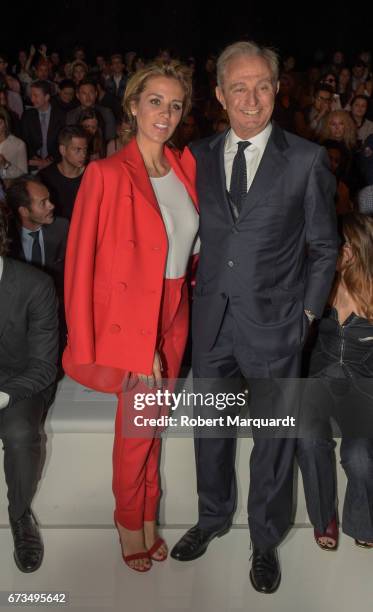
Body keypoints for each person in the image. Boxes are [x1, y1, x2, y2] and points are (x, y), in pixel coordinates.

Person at [170, 40, 338, 594]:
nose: (251, 97)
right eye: (238, 87)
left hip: (278, 330)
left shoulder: (308, 159)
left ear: (277, 89)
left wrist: (307, 316)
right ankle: (213, 518)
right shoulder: (193, 156)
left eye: (261, 85)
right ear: (219, 95)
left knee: (273, 442)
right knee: (210, 434)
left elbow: (324, 248)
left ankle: (264, 540)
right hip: (212, 326)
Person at [63, 61, 198, 573]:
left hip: (176, 307)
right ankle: (129, 520)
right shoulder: (105, 173)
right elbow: (79, 263)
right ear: (134, 105)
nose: (165, 113)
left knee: (150, 423)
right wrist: (94, 338)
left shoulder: (185, 167)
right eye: (155, 101)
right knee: (137, 429)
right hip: (135, 314)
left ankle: (146, 512)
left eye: (175, 104)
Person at [297, 213, 373, 550]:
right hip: (320, 380)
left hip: (363, 386)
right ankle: (323, 516)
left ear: (355, 249)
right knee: (309, 438)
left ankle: (363, 522)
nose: (331, 250)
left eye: (339, 245)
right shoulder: (321, 283)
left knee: (359, 456)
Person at [0, 199, 59, 572]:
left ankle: (20, 515)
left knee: (21, 432)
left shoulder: (35, 285)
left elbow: (43, 367)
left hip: (20, 382)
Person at [39, 126, 87, 220]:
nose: (83, 154)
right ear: (63, 150)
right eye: (77, 150)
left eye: (85, 149)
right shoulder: (45, 177)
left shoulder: (92, 175)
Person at [21, 80, 65, 171]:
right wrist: (36, 159)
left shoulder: (60, 115)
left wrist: (50, 159)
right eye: (31, 95)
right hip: (34, 164)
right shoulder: (27, 115)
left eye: (36, 96)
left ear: (47, 97)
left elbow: (63, 141)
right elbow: (24, 140)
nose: (32, 99)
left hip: (55, 163)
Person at [0, 107, 27, 182]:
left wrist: (5, 164)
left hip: (9, 189)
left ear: (6, 123)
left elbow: (23, 174)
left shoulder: (18, 144)